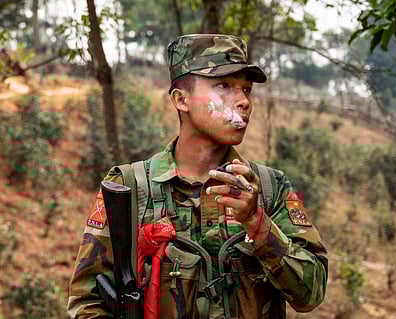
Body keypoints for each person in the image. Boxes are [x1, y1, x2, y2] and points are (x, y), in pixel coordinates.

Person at [67, 33, 328, 319]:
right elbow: (86, 302)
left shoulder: (269, 188)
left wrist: (258, 224)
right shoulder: (127, 187)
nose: (243, 101)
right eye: (224, 86)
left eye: (247, 90)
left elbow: (310, 295)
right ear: (182, 100)